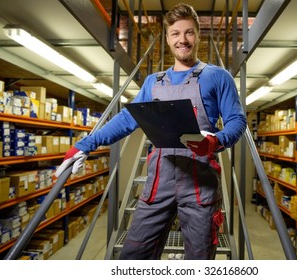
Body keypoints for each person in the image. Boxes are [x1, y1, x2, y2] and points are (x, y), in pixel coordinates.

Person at [55, 3, 247, 260]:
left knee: (200, 260)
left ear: (198, 35)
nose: (183, 40)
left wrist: (215, 141)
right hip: (159, 182)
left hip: (200, 184)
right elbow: (127, 118)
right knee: (133, 258)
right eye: (176, 34)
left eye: (189, 32)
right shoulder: (153, 82)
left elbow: (237, 121)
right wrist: (86, 144)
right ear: (168, 39)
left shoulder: (217, 77)